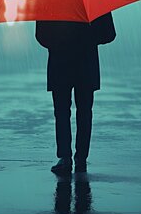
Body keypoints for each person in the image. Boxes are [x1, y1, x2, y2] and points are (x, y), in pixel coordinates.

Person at [35, 12, 116, 174]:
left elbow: (41, 36)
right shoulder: (94, 0)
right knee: (85, 112)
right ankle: (81, 158)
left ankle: (65, 157)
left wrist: (61, 40)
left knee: (62, 113)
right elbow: (109, 34)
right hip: (86, 64)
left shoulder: (50, 2)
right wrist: (87, 37)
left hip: (60, 65)